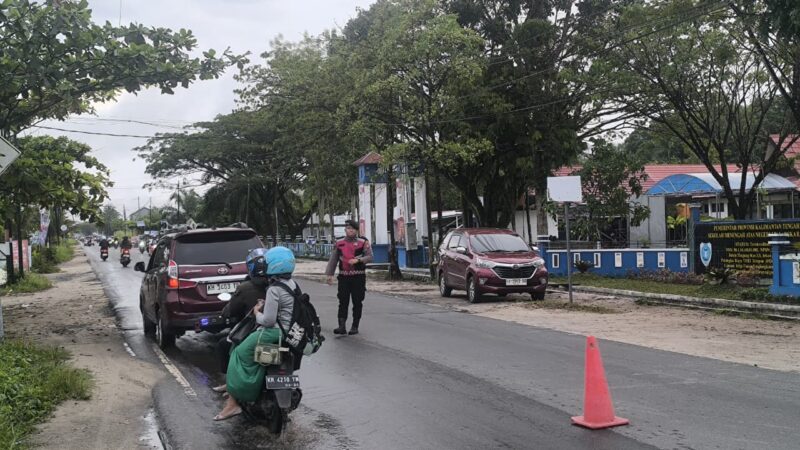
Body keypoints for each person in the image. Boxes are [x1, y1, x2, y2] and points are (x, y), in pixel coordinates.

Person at [214, 246, 297, 421]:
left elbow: (267, 320)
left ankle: (233, 402)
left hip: (272, 333)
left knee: (237, 353)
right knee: (252, 355)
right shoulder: (293, 285)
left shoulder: (273, 289)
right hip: (289, 335)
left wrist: (256, 313)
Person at [211, 248, 269, 393]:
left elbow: (229, 311)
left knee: (225, 345)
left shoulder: (245, 288)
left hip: (254, 332)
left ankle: (231, 383)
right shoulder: (283, 285)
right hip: (282, 332)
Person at [325, 219, 372, 335]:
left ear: (356, 230)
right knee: (343, 301)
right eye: (348, 229)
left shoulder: (363, 242)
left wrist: (358, 260)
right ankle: (341, 326)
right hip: (344, 277)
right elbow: (333, 259)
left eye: (353, 229)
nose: (350, 231)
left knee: (357, 301)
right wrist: (329, 274)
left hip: (358, 277)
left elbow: (370, 256)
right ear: (345, 230)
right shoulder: (339, 242)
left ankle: (355, 326)